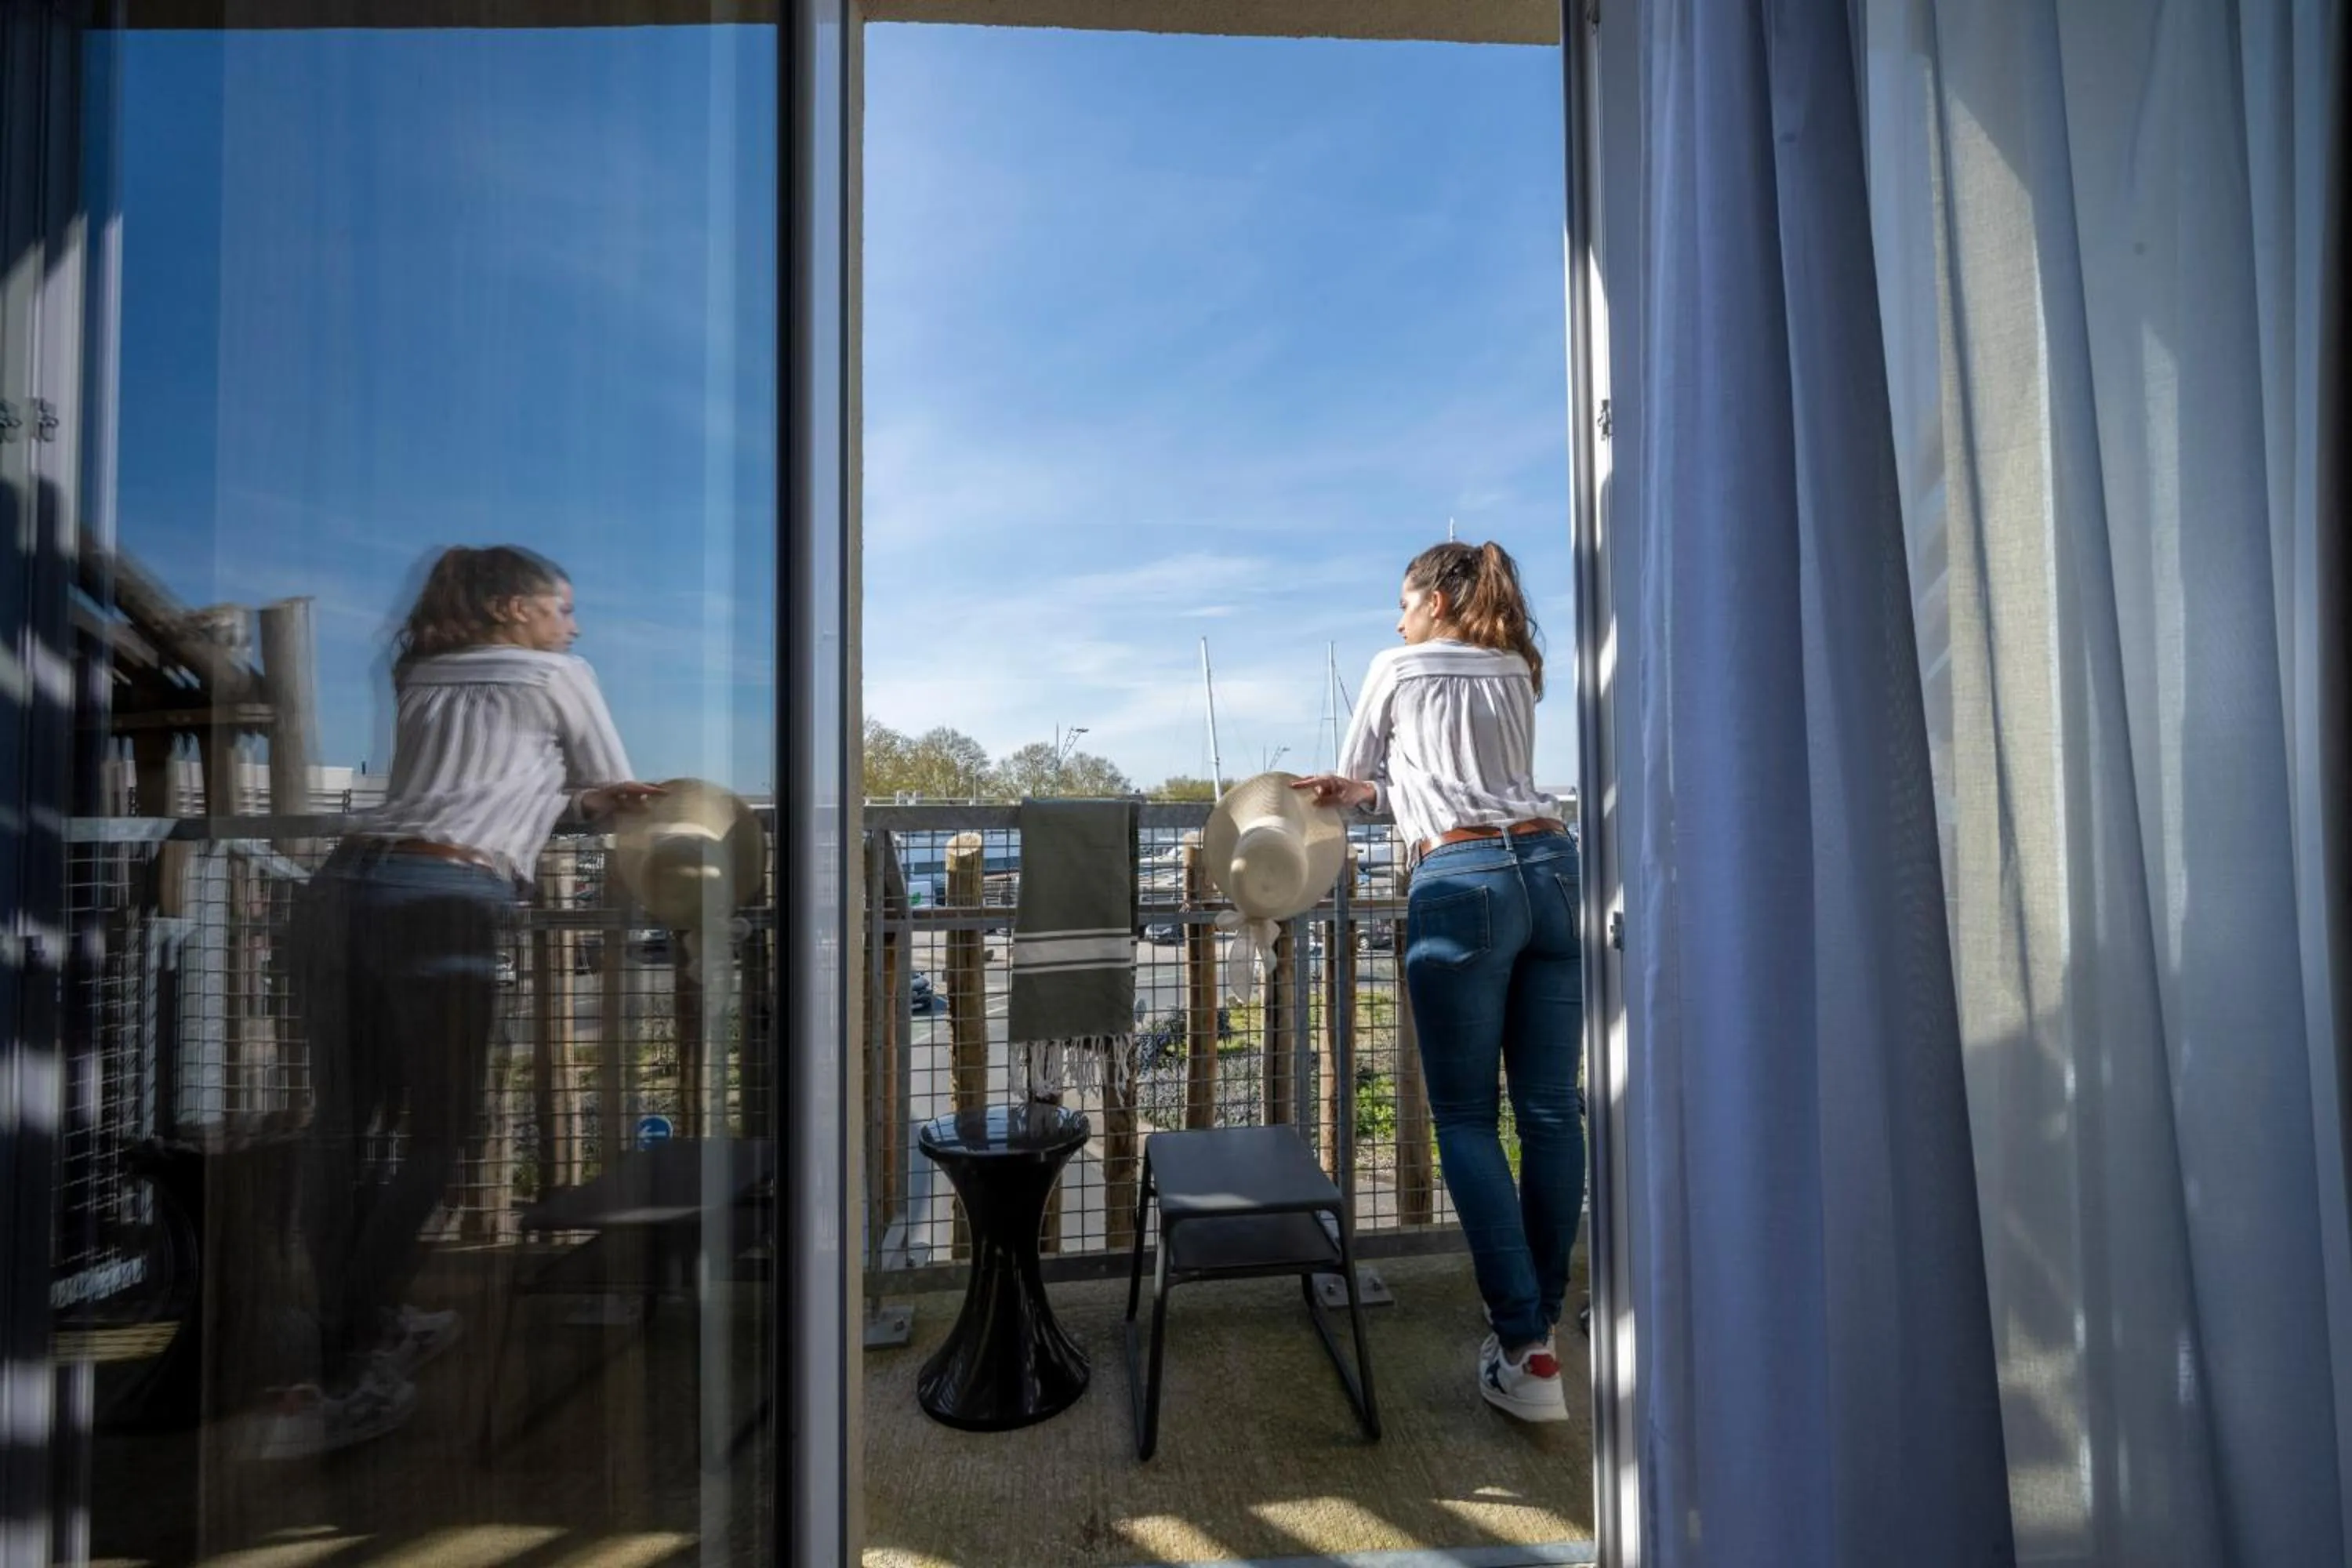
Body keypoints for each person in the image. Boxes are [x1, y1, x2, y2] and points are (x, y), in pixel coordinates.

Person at [269, 546, 661, 1459]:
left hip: (341, 891)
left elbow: (484, 789)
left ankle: (361, 1322)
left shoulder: (426, 674)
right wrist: (636, 807)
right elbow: (611, 801)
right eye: (562, 606)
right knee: (441, 1135)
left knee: (346, 1127)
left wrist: (566, 800)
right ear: (513, 608)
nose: (575, 624)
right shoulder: (559, 673)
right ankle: (344, 1365)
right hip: (441, 901)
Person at [1291, 539, 1583, 1424]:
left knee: (1464, 1115)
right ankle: (1544, 1325)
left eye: (1406, 600)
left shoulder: (1398, 664)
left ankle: (1524, 1343)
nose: (1397, 616)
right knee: (1547, 1109)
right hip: (1552, 869)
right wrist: (1378, 792)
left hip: (1463, 883)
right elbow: (1435, 779)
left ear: (1439, 602)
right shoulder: (1516, 665)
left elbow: (1352, 789)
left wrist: (1349, 792)